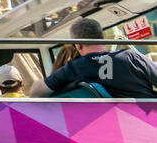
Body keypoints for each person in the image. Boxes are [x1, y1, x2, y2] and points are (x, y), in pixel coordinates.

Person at [29, 17, 157, 98]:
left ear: (78, 46)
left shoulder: (75, 68)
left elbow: (36, 92)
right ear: (102, 38)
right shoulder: (131, 57)